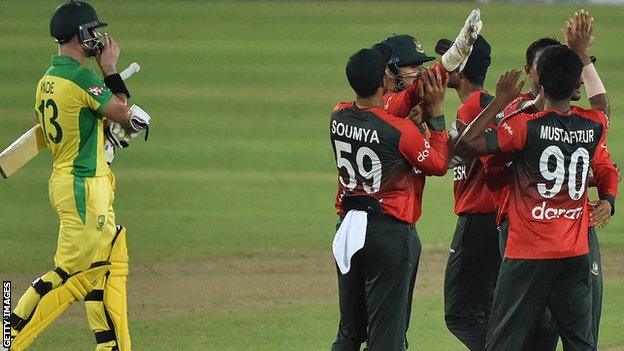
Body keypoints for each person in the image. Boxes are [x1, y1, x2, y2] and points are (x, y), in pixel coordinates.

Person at [454, 13, 617, 349]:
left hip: (527, 249)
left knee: (506, 340)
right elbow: (603, 105)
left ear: (537, 77)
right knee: (580, 341)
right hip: (573, 249)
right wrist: (583, 55)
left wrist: (498, 102)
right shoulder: (593, 123)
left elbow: (466, 146)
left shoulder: (522, 124)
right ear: (576, 85)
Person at [8, 1, 146, 350]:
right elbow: (123, 112)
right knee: (71, 275)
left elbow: (64, 127)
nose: (98, 38)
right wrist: (110, 68)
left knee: (110, 264)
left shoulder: (47, 81)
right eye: (93, 31)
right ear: (81, 35)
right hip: (84, 186)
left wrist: (102, 134)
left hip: (74, 180)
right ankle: (7, 340)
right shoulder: (81, 76)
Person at [329, 43, 449, 351]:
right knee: (388, 340)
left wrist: (411, 120)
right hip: (387, 232)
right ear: (384, 82)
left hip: (347, 228)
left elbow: (382, 123)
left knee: (350, 332)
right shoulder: (399, 130)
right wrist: (436, 118)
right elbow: (437, 164)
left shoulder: (338, 115)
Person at [442, 35, 501, 351]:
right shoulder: (488, 104)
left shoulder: (472, 108)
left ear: (461, 67)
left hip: (479, 221)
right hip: (493, 221)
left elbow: (496, 162)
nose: (445, 64)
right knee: (488, 311)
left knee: (461, 315)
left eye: (451, 57)